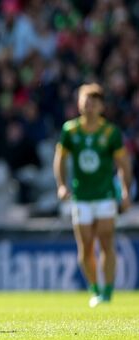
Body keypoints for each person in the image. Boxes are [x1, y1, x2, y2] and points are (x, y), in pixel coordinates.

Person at [53, 83, 133, 307]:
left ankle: (107, 291)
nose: (89, 106)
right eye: (85, 102)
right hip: (81, 197)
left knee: (106, 241)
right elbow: (60, 159)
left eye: (94, 102)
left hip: (105, 195)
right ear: (79, 105)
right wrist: (61, 185)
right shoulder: (70, 130)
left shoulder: (110, 132)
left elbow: (123, 164)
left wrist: (125, 190)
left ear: (101, 107)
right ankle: (94, 288)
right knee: (86, 247)